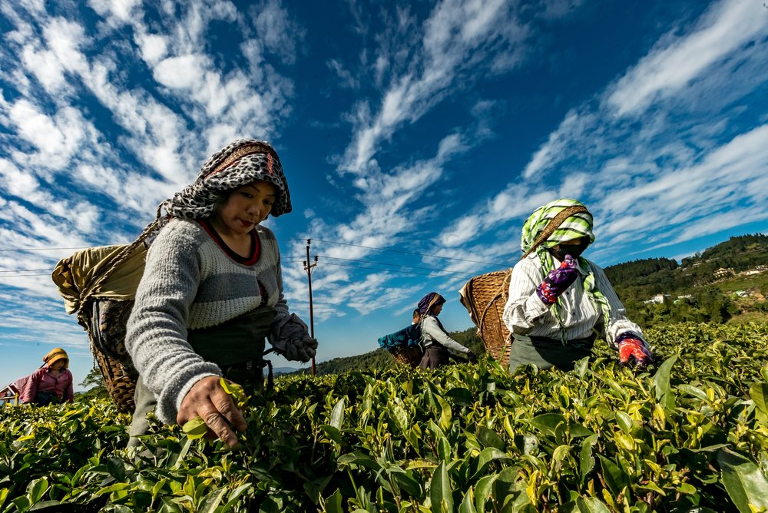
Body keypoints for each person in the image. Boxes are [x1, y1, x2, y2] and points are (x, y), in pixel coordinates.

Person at [125, 139, 317, 449]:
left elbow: (273, 301)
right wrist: (188, 379)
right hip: (182, 395)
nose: (257, 210)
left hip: (244, 388)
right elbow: (152, 320)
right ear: (221, 188)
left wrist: (285, 329)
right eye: (247, 194)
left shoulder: (267, 243)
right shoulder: (184, 237)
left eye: (268, 201)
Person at [502, 198, 653, 372]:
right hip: (533, 364)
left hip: (580, 363)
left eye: (581, 240)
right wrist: (546, 293)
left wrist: (627, 338)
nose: (576, 245)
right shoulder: (529, 266)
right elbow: (515, 322)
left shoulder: (593, 271)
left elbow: (613, 318)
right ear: (550, 237)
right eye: (568, 240)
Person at [417, 292, 477, 369]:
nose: (441, 309)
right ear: (433, 306)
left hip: (440, 355)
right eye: (440, 306)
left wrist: (454, 355)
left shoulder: (431, 319)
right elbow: (445, 341)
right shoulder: (429, 321)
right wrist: (467, 351)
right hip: (434, 358)